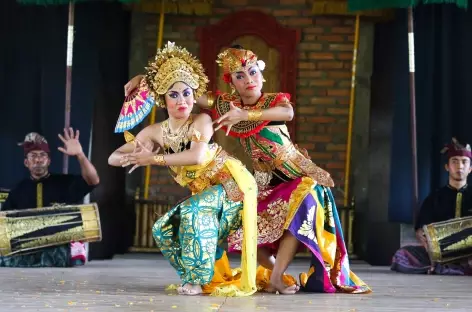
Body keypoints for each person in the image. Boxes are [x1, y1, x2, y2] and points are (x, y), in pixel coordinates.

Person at [123, 45, 370, 295]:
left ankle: (275, 277)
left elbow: (288, 113)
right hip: (264, 182)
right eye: (240, 76)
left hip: (298, 175)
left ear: (262, 74)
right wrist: (145, 81)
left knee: (303, 205)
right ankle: (278, 274)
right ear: (232, 83)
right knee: (245, 232)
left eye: (252, 72)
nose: (249, 80)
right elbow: (185, 88)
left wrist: (246, 114)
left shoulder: (273, 101)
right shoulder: (226, 105)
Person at [109, 42, 258, 297]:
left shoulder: (202, 119)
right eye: (174, 94)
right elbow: (113, 157)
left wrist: (152, 160)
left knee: (190, 212)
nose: (183, 101)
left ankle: (197, 281)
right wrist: (136, 153)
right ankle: (198, 276)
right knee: (162, 229)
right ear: (163, 99)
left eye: (187, 93)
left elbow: (198, 157)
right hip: (205, 195)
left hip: (231, 187)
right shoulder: (156, 132)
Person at [1, 129, 100, 267]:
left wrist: (80, 154)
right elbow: (4, 227)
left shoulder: (64, 183)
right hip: (27, 254)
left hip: (60, 252)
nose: (38, 159)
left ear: (48, 161)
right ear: (26, 163)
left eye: (42, 155)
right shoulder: (18, 191)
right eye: (33, 155)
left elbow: (93, 180)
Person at [391, 138, 472, 275]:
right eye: (455, 161)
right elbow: (421, 230)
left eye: (464, 162)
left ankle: (450, 268)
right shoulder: (434, 198)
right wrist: (424, 238)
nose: (460, 166)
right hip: (440, 253)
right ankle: (448, 267)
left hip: (469, 252)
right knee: (402, 255)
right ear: (447, 167)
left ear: (470, 168)